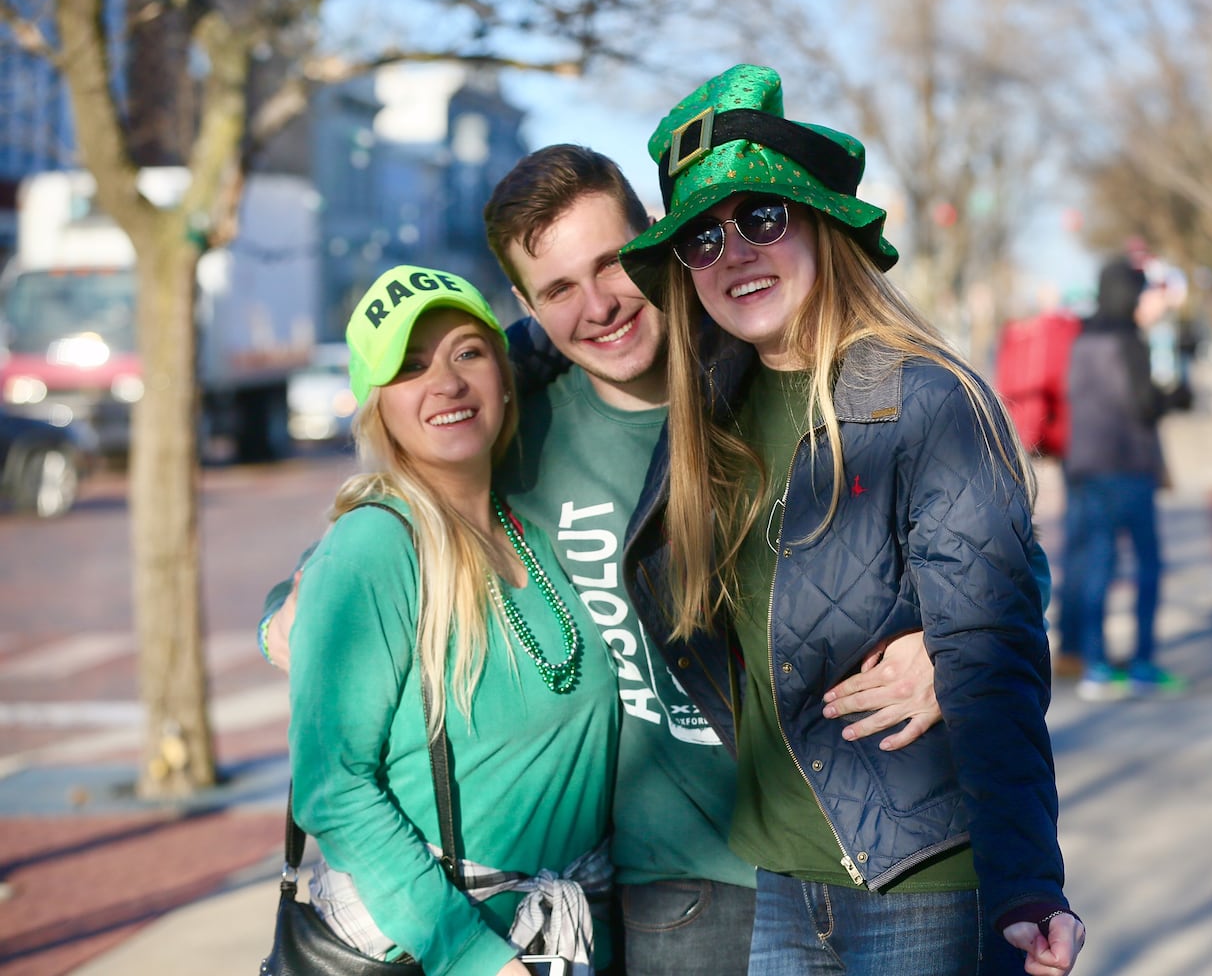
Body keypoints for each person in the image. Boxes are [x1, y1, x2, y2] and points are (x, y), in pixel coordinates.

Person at [263, 144, 944, 976]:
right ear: (526, 305)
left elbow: (966, 528)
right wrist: (279, 617)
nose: (598, 307)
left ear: (654, 240)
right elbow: (364, 549)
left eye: (612, 264)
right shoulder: (520, 429)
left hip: (860, 852)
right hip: (682, 889)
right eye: (557, 290)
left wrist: (942, 642)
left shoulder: (768, 368)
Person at [617, 64, 1082, 976]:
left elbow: (994, 654)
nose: (733, 252)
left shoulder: (925, 400)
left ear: (822, 225)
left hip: (922, 887)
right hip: (783, 882)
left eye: (760, 218)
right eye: (701, 240)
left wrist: (1030, 884)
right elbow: (558, 337)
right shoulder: (707, 412)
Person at [287, 265, 617, 973]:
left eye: (467, 351)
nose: (446, 383)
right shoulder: (374, 545)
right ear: (377, 404)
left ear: (502, 374)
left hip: (560, 934)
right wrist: (471, 957)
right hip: (447, 944)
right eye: (409, 367)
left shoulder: (531, 519)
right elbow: (332, 788)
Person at [1064, 255, 1184, 701]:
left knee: (1098, 564)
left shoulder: (1082, 339)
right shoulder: (1128, 341)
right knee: (1148, 565)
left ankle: (1095, 663)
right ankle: (1143, 662)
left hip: (1087, 466)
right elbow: (1144, 405)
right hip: (1129, 466)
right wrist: (1175, 396)